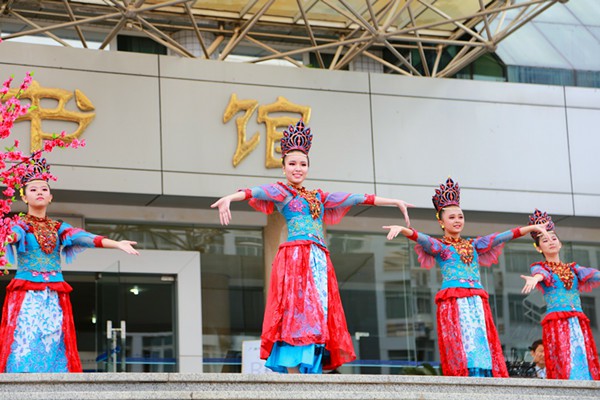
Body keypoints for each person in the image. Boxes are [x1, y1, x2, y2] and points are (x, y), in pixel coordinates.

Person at [211, 120, 413, 374]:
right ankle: (296, 375)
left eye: (303, 164)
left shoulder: (319, 196)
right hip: (296, 258)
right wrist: (230, 198)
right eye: (292, 164)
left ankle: (309, 371)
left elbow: (356, 197)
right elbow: (254, 192)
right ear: (283, 168)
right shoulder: (282, 192)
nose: (298, 169)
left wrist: (394, 201)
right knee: (297, 314)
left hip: (318, 259)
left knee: (317, 315)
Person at [383, 177, 549, 377]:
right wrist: (404, 230)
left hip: (476, 301)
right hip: (454, 301)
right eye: (452, 217)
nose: (457, 221)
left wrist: (530, 229)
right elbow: (422, 238)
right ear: (441, 221)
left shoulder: (475, 245)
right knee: (461, 340)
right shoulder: (442, 248)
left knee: (480, 339)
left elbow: (501, 237)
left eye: (460, 217)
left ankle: (482, 376)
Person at [0, 157, 140, 373]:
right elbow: (11, 236)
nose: (40, 192)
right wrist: (7, 236)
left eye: (44, 189)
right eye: (33, 189)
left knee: (54, 335)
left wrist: (117, 244)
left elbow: (85, 237)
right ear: (24, 196)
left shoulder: (58, 227)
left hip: (54, 292)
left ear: (51, 196)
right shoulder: (21, 225)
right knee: (25, 334)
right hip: (27, 292)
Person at [521, 209, 600, 380]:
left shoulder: (574, 269)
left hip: (577, 319)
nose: (550, 242)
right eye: (544, 240)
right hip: (557, 320)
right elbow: (542, 274)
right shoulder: (540, 267)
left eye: (554, 238)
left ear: (560, 244)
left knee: (580, 357)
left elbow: (594, 274)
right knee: (563, 356)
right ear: (538, 247)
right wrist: (535, 279)